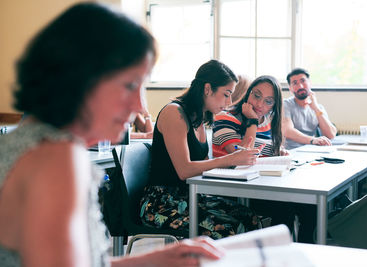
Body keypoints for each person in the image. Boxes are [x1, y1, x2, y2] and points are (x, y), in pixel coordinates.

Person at [0, 3, 223, 267]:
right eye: (130, 85)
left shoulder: (34, 143)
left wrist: (157, 259)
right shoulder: (56, 158)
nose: (139, 107)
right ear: (81, 77)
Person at [140, 60, 261, 239]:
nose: (229, 102)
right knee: (232, 228)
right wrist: (230, 159)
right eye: (226, 94)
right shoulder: (175, 113)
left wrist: (236, 162)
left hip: (190, 196)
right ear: (207, 89)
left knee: (251, 218)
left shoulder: (199, 117)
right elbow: (184, 170)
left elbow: (203, 165)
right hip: (162, 203)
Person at [213, 75, 288, 158]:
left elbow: (269, 149)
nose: (259, 104)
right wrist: (252, 121)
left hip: (263, 170)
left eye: (268, 101)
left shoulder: (270, 121)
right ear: (248, 93)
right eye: (256, 95)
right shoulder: (225, 117)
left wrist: (279, 151)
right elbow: (240, 153)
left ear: (274, 106)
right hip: (234, 170)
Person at [283, 68, 337, 150]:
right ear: (290, 88)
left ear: (310, 83)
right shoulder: (285, 104)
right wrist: (313, 140)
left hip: (311, 151)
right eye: (295, 83)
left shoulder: (318, 107)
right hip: (291, 151)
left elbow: (331, 135)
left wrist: (316, 109)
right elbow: (288, 131)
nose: (300, 86)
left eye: (303, 81)